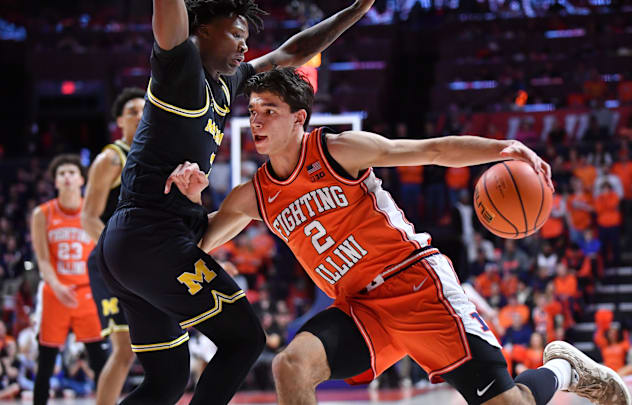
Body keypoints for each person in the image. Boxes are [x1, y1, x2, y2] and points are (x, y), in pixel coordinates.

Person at [167, 68, 630, 405]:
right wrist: (191, 200)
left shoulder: (338, 150)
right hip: (360, 308)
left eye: (271, 110)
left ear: (299, 119)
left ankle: (564, 369)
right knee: (291, 366)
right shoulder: (254, 196)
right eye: (254, 112)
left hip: (415, 285)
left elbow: (430, 151)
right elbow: (199, 245)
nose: (259, 121)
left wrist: (503, 149)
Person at [95, 1, 376, 404]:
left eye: (247, 38)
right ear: (203, 31)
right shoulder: (181, 67)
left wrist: (355, 9)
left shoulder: (229, 82)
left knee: (167, 382)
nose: (245, 47)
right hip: (151, 238)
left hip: (133, 247)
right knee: (244, 340)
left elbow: (292, 53)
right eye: (236, 35)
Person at [80, 88, 145, 405]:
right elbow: (88, 217)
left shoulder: (154, 154)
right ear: (119, 120)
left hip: (144, 263)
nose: (140, 115)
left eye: (144, 109)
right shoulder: (111, 158)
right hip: (112, 262)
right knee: (123, 351)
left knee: (160, 347)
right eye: (132, 111)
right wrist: (118, 253)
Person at [30, 155, 107, 405]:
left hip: (87, 293)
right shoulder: (42, 214)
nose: (66, 177)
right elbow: (42, 259)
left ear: (82, 179)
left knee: (99, 360)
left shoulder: (92, 213)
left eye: (71, 172)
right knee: (46, 361)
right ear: (55, 182)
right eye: (61, 173)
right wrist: (56, 285)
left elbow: (104, 253)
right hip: (55, 291)